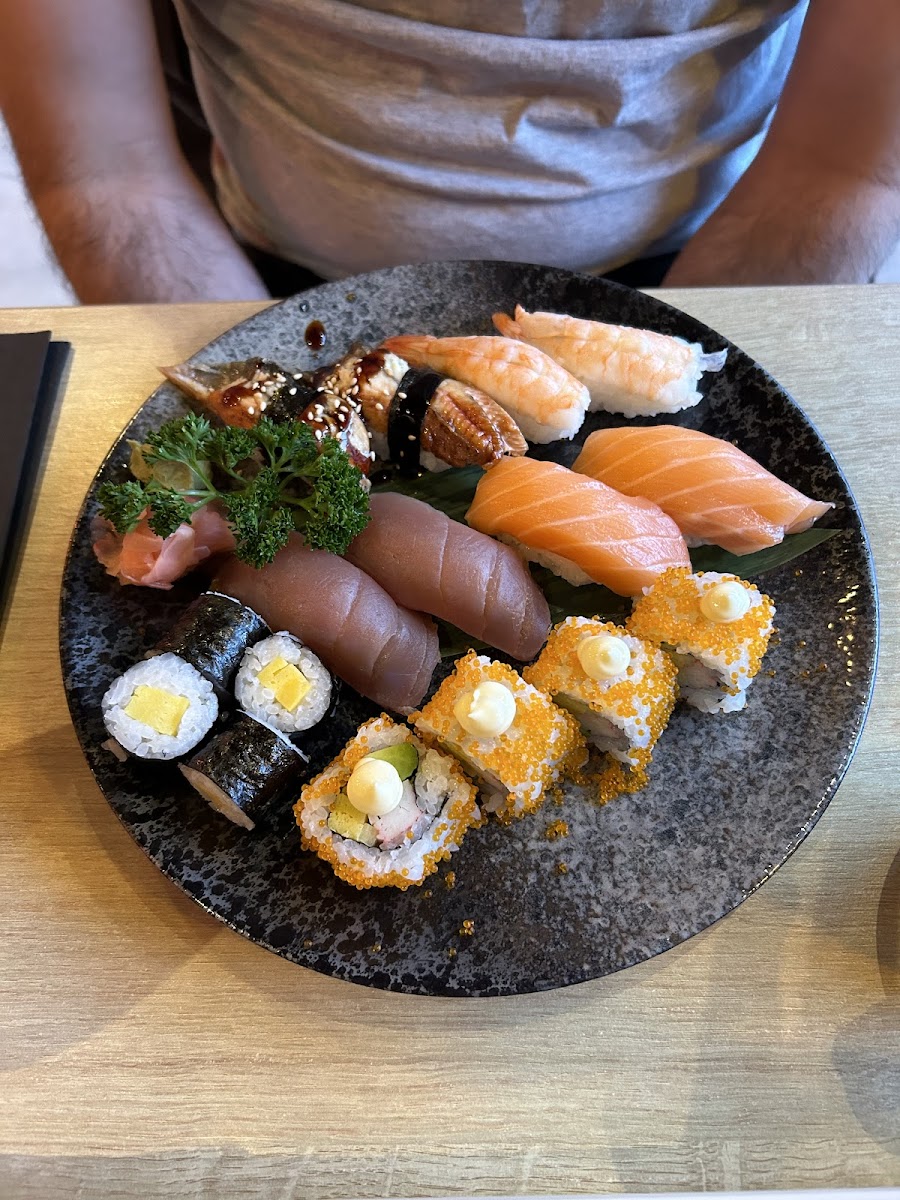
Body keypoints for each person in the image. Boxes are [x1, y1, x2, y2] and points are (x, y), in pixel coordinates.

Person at [1, 0, 898, 304]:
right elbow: (104, 176)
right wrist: (247, 395)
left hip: (700, 270)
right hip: (255, 280)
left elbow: (844, 176)